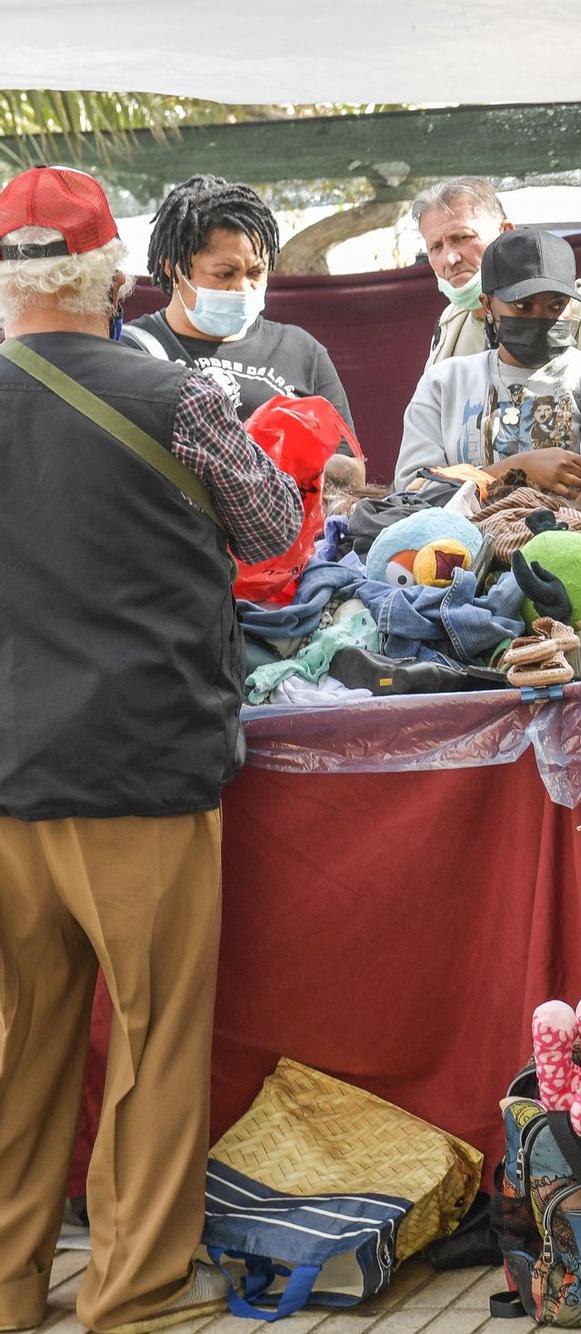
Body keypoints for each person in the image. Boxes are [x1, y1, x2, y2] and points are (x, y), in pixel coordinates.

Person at [0, 166, 302, 1334]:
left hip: (9, 765)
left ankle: (13, 1281)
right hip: (139, 762)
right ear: (115, 273)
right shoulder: (172, 396)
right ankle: (129, 1293)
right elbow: (273, 527)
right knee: (152, 1032)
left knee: (20, 1037)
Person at [393, 227, 581, 497]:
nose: (540, 317)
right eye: (523, 306)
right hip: (468, 545)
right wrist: (511, 471)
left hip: (579, 543)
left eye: (556, 305)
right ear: (487, 305)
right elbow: (414, 489)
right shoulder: (444, 383)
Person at [121, 174, 353, 434]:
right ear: (173, 269)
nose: (242, 287)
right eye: (224, 274)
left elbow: (350, 467)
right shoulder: (131, 351)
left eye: (255, 273)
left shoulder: (302, 352)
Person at [413, 176, 581, 377]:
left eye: (462, 238)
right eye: (435, 247)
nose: (449, 260)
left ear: (506, 232)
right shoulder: (451, 324)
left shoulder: (580, 319)